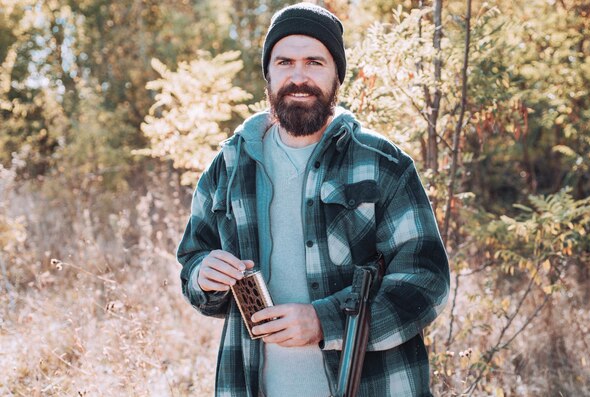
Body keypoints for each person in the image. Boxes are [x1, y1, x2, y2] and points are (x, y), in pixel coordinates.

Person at [177, 3, 449, 396]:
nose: (298, 76)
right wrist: (203, 274)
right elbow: (193, 263)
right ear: (268, 74)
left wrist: (325, 321)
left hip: (373, 386)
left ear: (337, 74)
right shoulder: (229, 165)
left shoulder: (382, 163)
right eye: (284, 62)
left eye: (314, 62)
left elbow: (426, 282)